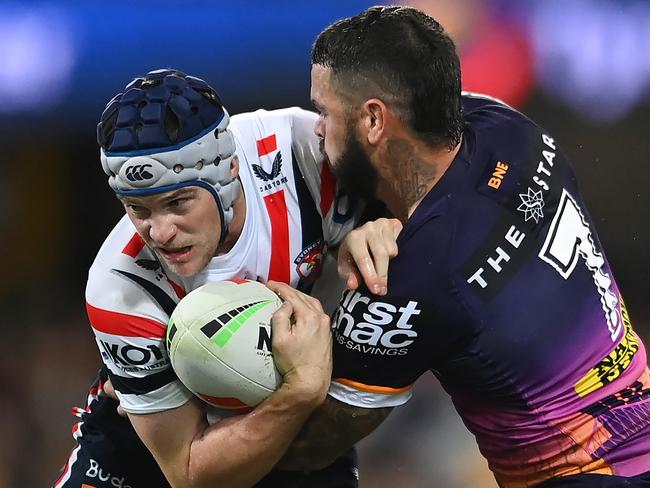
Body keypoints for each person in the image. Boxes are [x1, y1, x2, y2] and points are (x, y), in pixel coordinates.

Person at [270, 6, 650, 487]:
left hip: (587, 474)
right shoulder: (508, 127)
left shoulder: (410, 277)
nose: (317, 129)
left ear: (373, 119)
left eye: (323, 111)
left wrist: (292, 383)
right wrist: (374, 223)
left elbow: (315, 446)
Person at [52, 68, 401, 488]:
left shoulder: (300, 153)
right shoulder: (119, 286)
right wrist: (301, 390)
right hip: (151, 448)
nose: (159, 232)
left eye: (178, 201)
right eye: (138, 209)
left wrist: (390, 225)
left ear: (230, 170)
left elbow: (432, 168)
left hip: (293, 434)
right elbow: (190, 475)